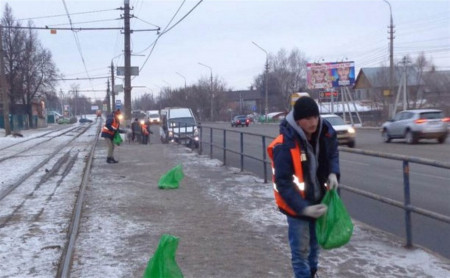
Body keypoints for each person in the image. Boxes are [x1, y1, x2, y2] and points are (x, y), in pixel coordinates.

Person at [267, 96, 340, 278]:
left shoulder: (325, 132)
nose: (313, 122)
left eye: (315, 117)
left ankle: (312, 273)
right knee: (300, 252)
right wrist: (303, 208)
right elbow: (282, 182)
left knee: (314, 248)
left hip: (318, 200)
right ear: (298, 120)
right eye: (307, 118)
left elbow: (332, 154)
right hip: (297, 206)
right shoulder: (285, 144)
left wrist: (333, 173)